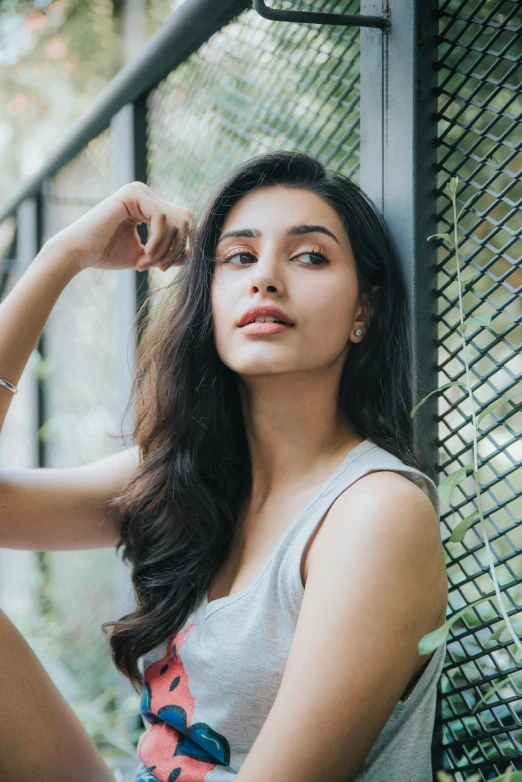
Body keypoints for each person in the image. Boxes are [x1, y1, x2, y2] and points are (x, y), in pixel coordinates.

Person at [0, 150, 448, 782]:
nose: (265, 277)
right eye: (239, 257)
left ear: (362, 313)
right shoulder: (184, 473)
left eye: (310, 255)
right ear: (207, 300)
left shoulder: (375, 515)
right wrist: (64, 255)